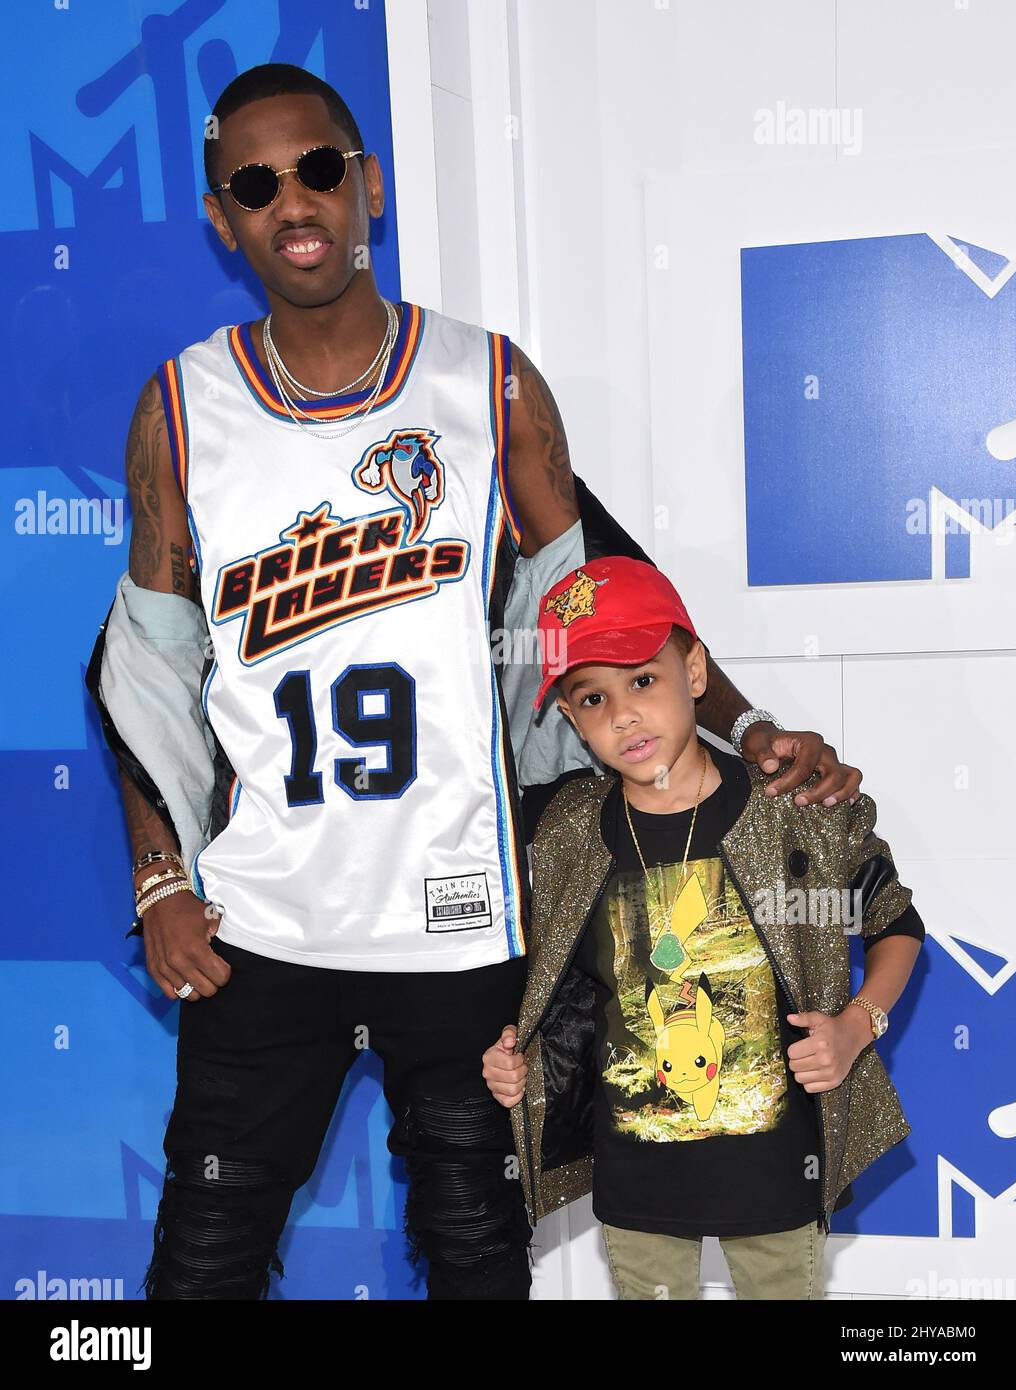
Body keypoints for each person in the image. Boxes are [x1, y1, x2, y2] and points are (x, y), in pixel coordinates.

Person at [85, 61, 867, 1301]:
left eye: (320, 168)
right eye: (255, 180)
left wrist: (748, 721)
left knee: (476, 1258)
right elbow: (148, 667)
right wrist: (160, 876)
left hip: (462, 917)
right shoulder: (182, 411)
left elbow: (609, 598)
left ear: (369, 186)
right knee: (202, 1263)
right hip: (262, 925)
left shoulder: (486, 385)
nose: (295, 199)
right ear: (221, 216)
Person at [482, 556, 924, 1300]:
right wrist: (515, 1061)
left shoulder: (795, 807)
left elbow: (894, 921)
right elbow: (551, 984)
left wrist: (857, 1025)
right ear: (568, 716)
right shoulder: (563, 832)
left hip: (778, 1168)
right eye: (591, 697)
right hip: (637, 1176)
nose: (622, 714)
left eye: (643, 680)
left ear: (694, 670)